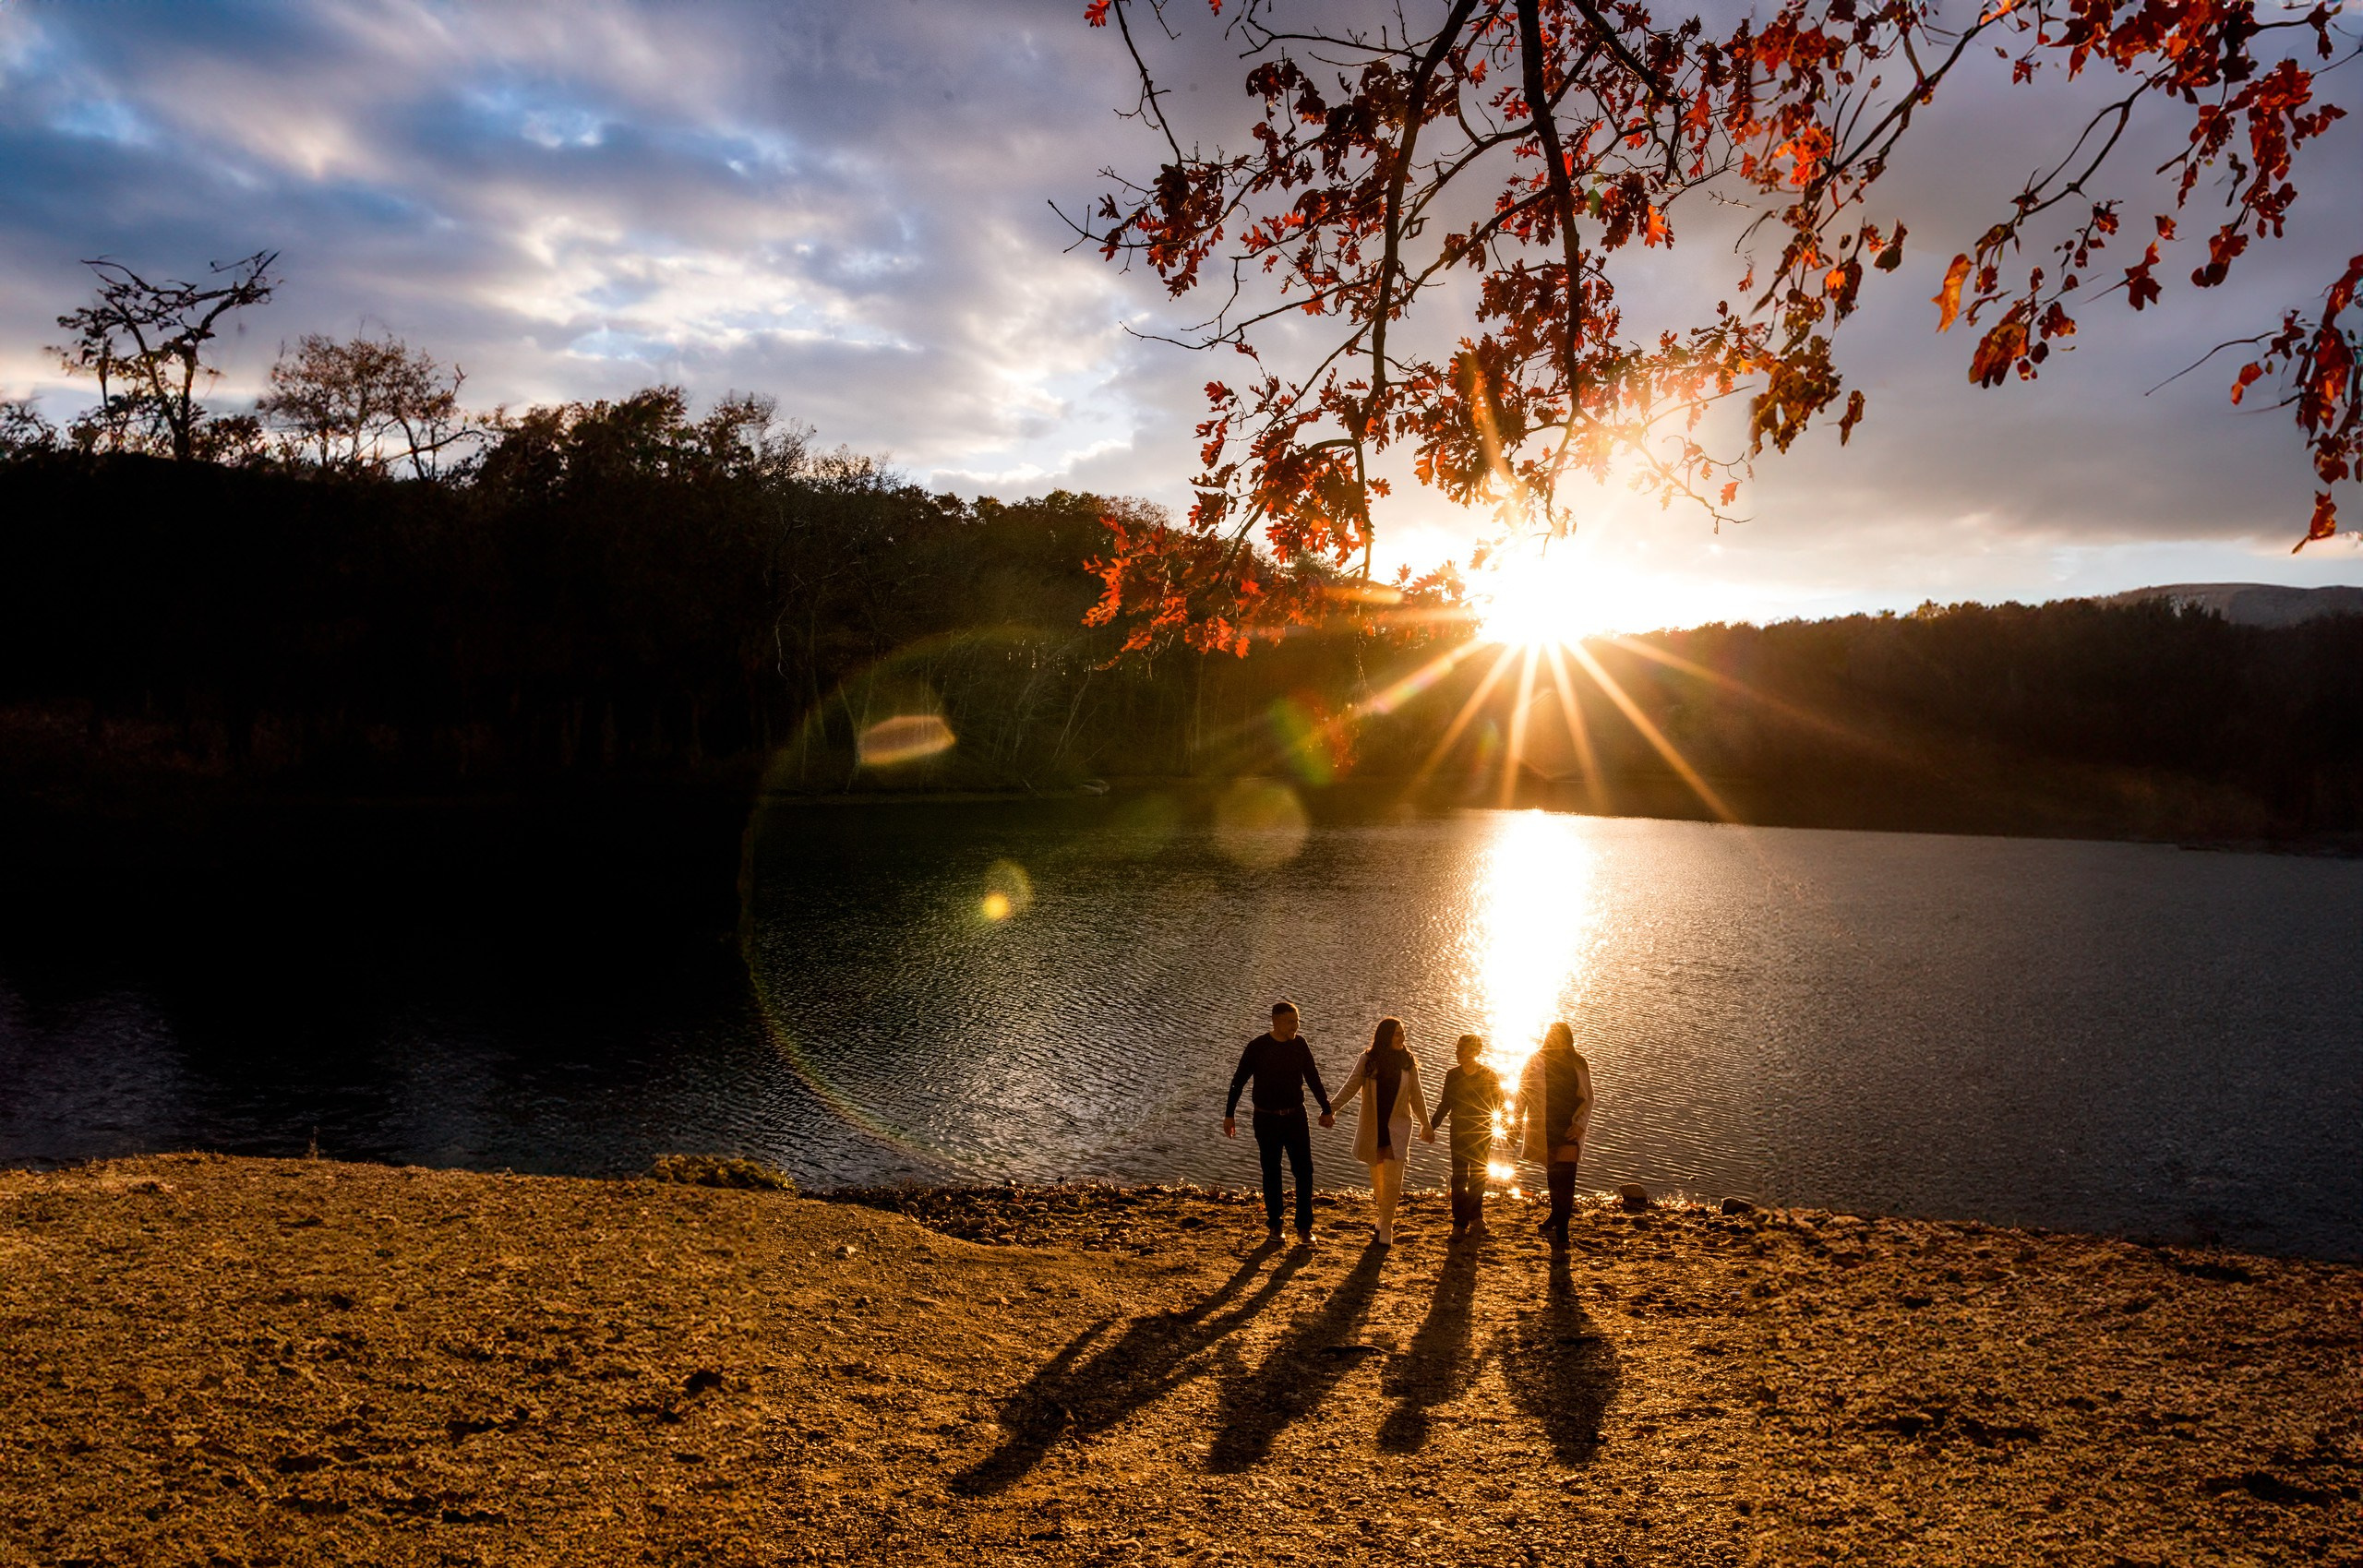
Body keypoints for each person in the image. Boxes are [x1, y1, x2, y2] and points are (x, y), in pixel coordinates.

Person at [1224, 999, 1334, 1245]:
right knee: (1271, 1171)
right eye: (1290, 1022)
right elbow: (1237, 1081)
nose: (1295, 1026)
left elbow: (1313, 1078)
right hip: (1266, 1118)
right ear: (1276, 1021)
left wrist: (1326, 1109)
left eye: (1297, 1021)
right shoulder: (1258, 1047)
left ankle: (1304, 1228)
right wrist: (1229, 1114)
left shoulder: (1300, 1045)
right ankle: (1275, 1225)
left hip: (1296, 1116)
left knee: (1304, 1171)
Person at [1327, 1016, 1434, 1247]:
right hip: (1374, 1127)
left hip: (1398, 1126)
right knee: (1378, 1179)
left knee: (1394, 1179)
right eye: (1397, 1033)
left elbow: (1417, 1095)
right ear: (1385, 1036)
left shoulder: (1408, 1062)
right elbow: (1352, 1086)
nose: (1402, 1038)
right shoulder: (1368, 1059)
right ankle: (1383, 1215)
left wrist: (1426, 1124)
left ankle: (1387, 1224)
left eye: (1403, 1033)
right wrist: (1331, 1109)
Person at [1514, 1021, 1594, 1246]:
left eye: (1563, 1040)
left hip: (1570, 1128)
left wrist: (1580, 1125)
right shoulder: (1535, 1061)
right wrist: (1515, 1125)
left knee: (1567, 1178)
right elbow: (1522, 1095)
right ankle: (1555, 1215)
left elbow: (1589, 1098)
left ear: (1569, 1041)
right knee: (1553, 1175)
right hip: (1545, 1127)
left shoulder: (1578, 1063)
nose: (1558, 1044)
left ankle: (1563, 1228)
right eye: (1554, 1039)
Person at [1431, 1033, 1505, 1239]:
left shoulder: (1489, 1075)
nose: (1457, 1052)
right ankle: (1459, 1223)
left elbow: (1499, 1104)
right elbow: (1445, 1104)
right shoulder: (1452, 1075)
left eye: (1461, 1048)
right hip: (1459, 1133)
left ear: (1475, 1051)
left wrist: (1508, 1129)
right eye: (1457, 1048)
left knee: (1479, 1176)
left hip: (1482, 1133)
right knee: (1459, 1177)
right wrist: (1431, 1126)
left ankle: (1476, 1217)